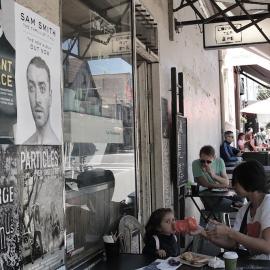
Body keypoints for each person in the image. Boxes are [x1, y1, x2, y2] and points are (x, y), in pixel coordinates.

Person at [202, 160, 270, 260]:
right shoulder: (244, 210)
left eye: (235, 181)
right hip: (254, 262)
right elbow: (232, 243)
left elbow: (268, 246)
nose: (233, 186)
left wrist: (229, 232)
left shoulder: (268, 202)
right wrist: (202, 232)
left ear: (248, 181)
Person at [24, 56, 60, 145]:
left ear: (50, 97)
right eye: (31, 88)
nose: (37, 99)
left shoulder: (58, 146)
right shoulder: (25, 145)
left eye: (42, 88)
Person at [192, 145, 237, 213]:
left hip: (223, 194)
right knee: (238, 206)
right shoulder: (196, 164)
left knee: (241, 199)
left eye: (208, 161)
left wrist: (213, 175)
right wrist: (224, 185)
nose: (205, 164)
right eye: (202, 161)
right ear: (199, 157)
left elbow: (226, 182)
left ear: (214, 158)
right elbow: (205, 184)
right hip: (210, 197)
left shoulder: (219, 161)